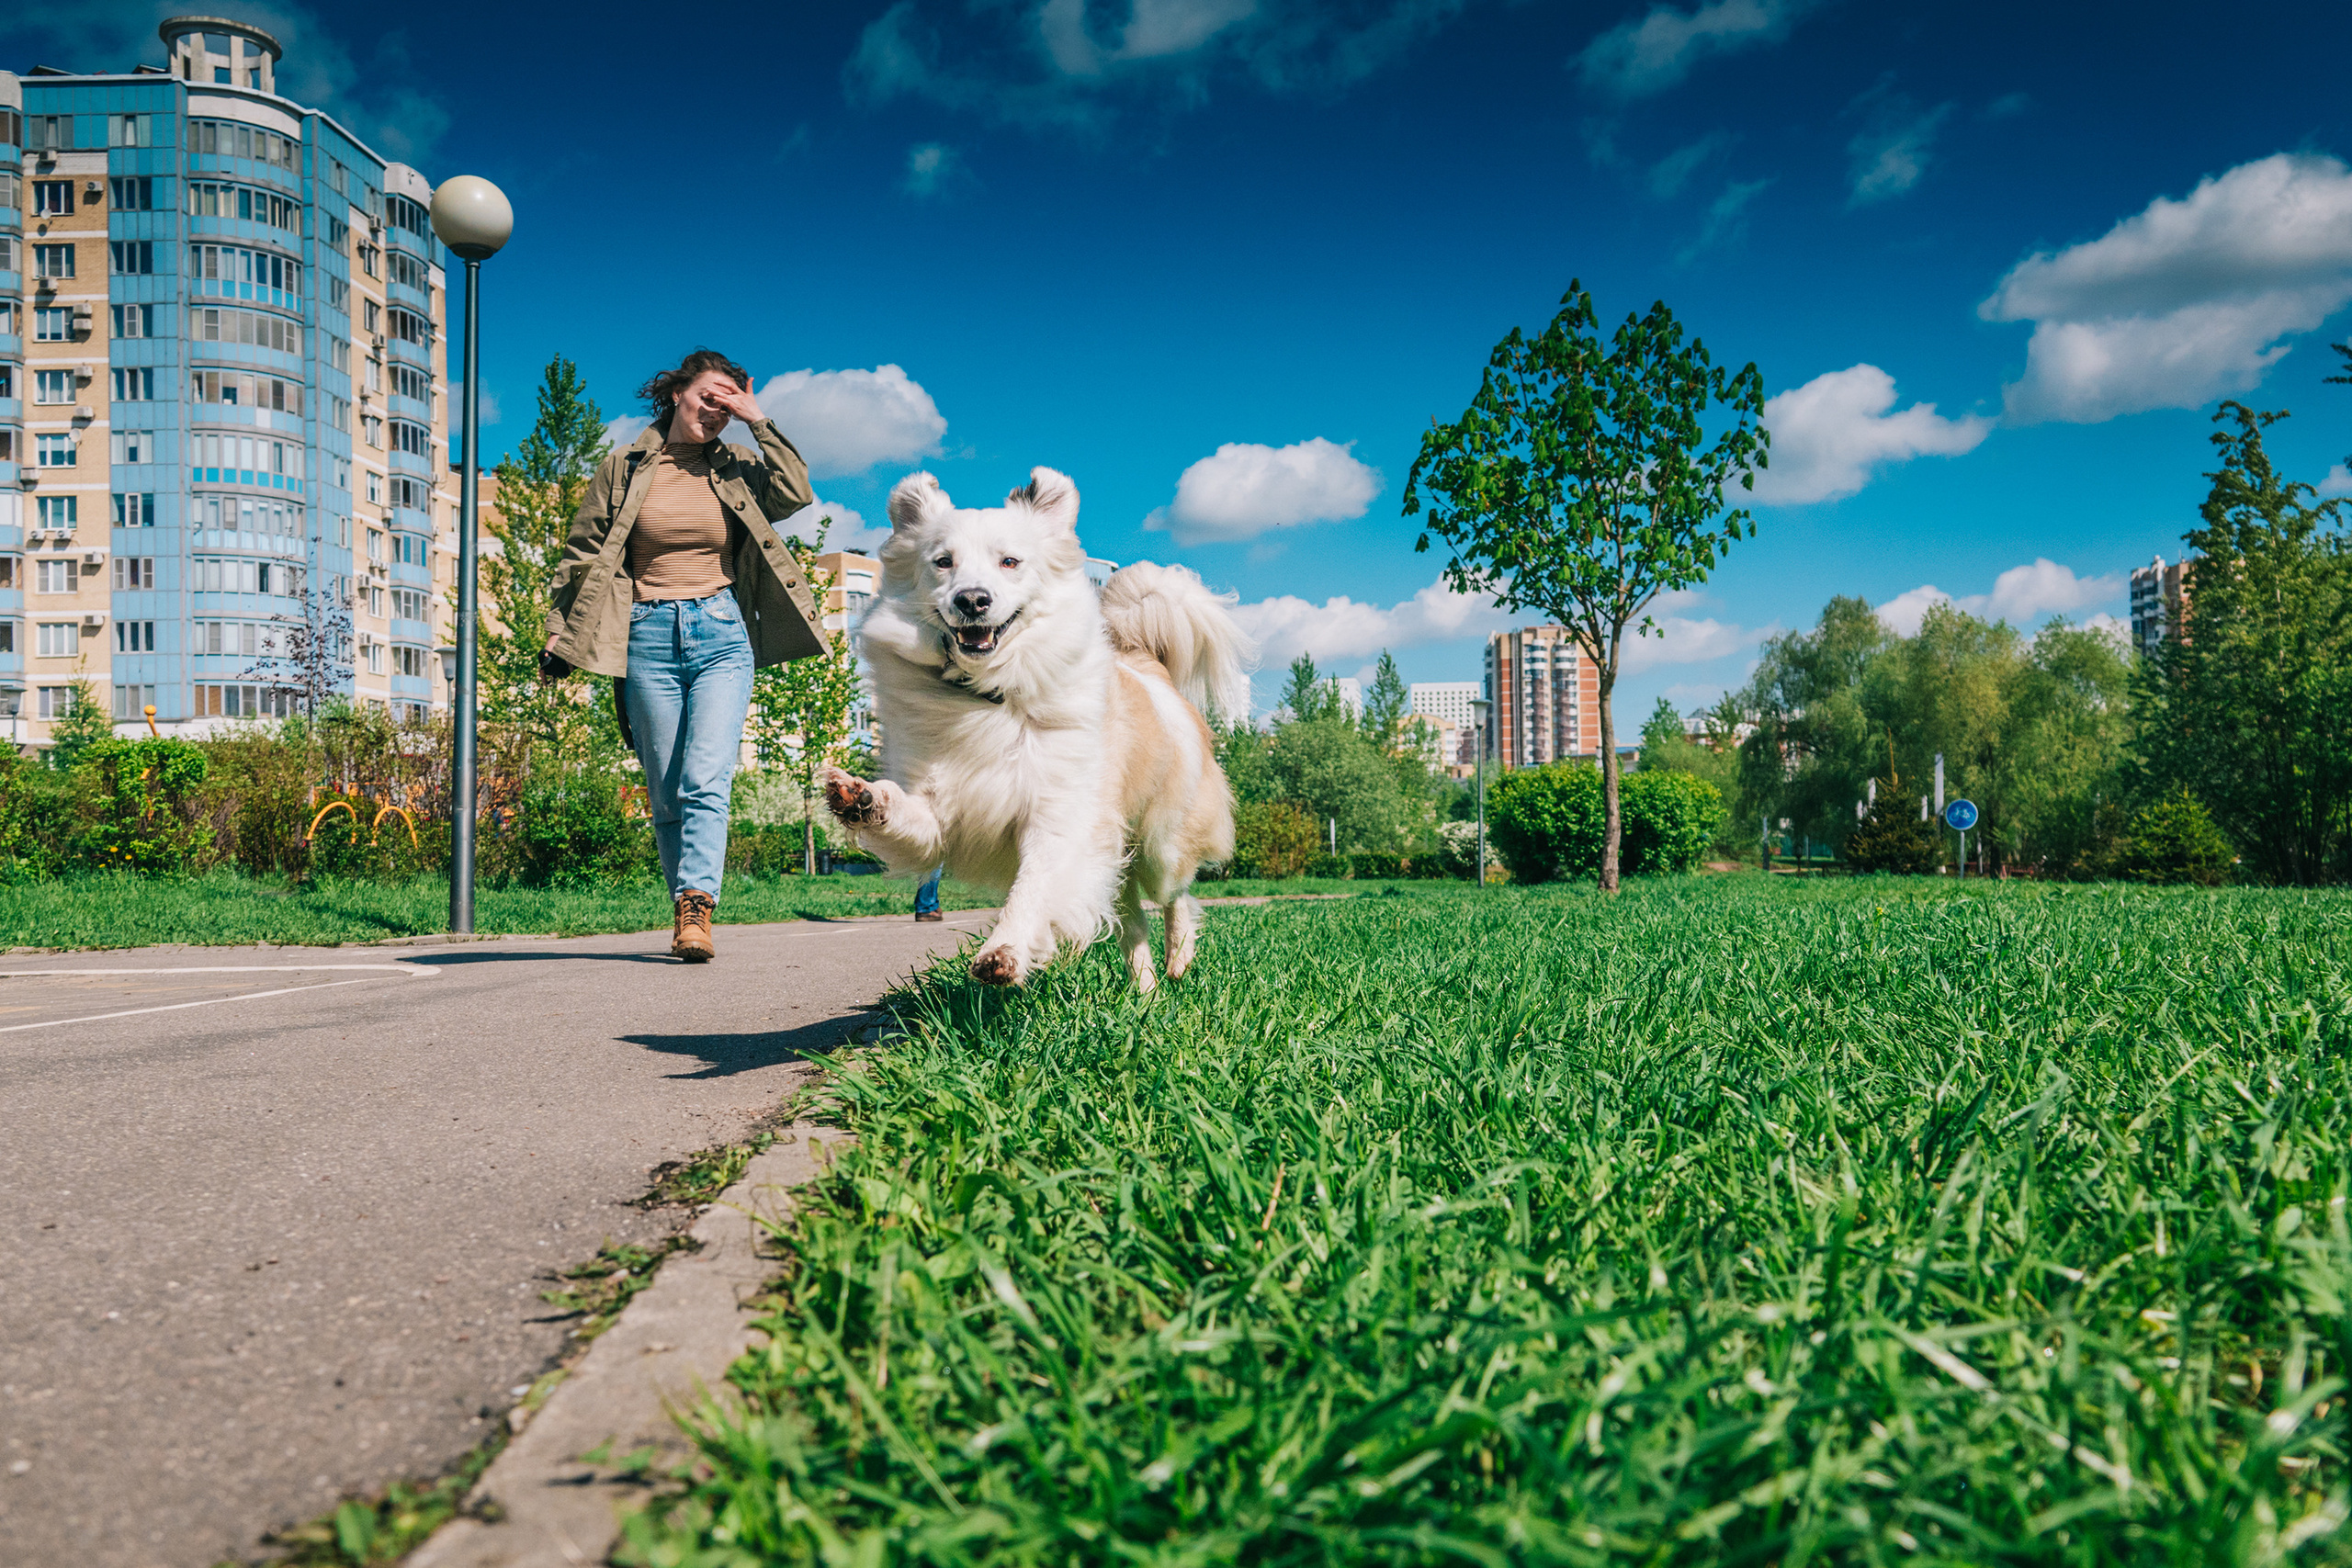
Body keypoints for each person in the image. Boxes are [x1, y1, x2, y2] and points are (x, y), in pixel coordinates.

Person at [541, 349, 825, 962]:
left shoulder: (738, 465)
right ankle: (684, 910)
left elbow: (795, 493)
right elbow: (582, 550)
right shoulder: (623, 467)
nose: (717, 412)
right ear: (677, 394)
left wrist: (758, 419)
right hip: (646, 633)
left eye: (729, 404)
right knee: (667, 790)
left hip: (721, 632)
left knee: (705, 776)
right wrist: (559, 628)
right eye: (709, 398)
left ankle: (698, 904)